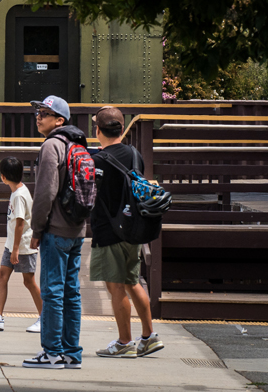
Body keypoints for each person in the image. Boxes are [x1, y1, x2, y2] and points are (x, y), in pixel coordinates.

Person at [89, 106, 164, 358]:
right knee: (133, 281)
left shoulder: (97, 160)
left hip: (108, 229)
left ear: (97, 129)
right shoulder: (134, 154)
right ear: (122, 128)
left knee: (116, 286)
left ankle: (124, 342)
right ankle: (149, 336)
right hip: (133, 228)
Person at [23, 95, 87, 370]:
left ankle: (51, 353)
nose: (38, 116)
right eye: (37, 112)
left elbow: (45, 192)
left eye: (45, 113)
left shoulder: (52, 145)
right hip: (77, 229)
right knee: (71, 293)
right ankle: (72, 352)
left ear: (60, 120)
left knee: (52, 291)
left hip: (56, 231)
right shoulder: (77, 145)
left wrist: (37, 229)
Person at [0, 156, 43, 333]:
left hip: (22, 247)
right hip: (12, 244)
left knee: (29, 281)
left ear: (3, 177)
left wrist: (15, 250)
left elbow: (20, 223)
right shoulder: (18, 191)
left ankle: (46, 317)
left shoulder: (19, 195)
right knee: (2, 276)